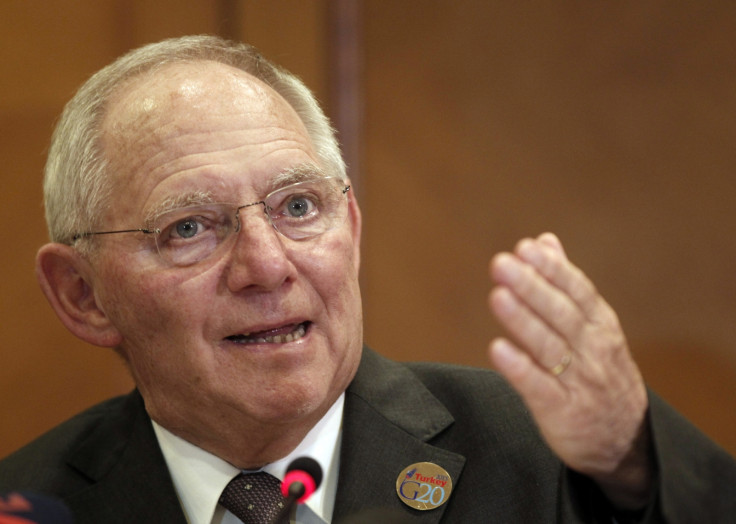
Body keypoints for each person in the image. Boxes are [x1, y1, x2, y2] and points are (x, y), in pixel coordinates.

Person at [0, 34, 734, 524]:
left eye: (297, 207)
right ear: (83, 295)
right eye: (188, 227)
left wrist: (631, 460)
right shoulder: (30, 503)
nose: (267, 265)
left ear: (349, 228)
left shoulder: (540, 455)